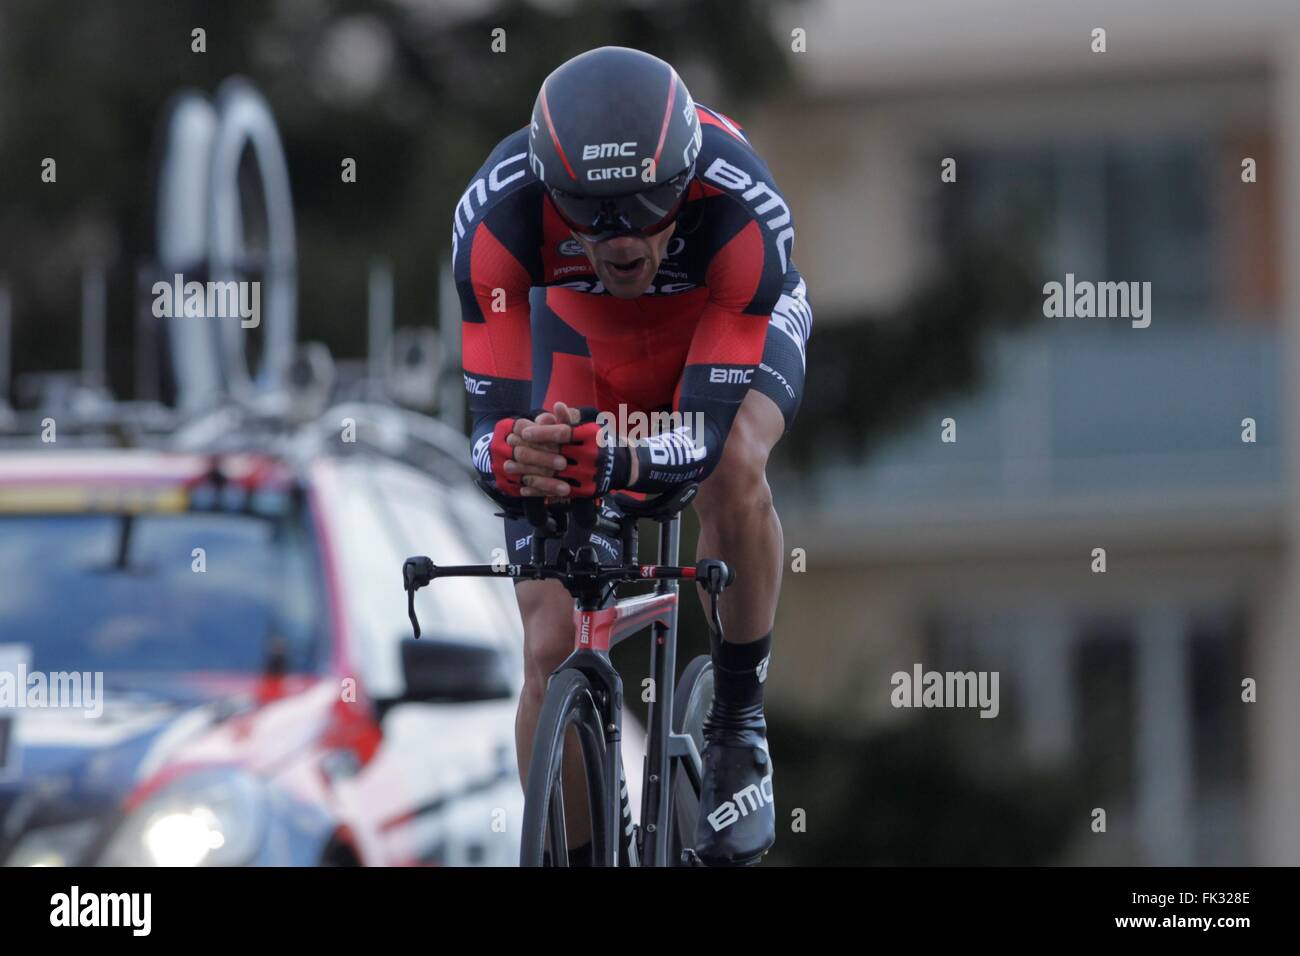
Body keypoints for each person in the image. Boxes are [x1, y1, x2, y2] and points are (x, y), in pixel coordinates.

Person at [452, 45, 812, 866]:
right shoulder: (496, 213)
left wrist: (615, 465)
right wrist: (518, 456)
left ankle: (735, 724)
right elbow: (486, 429)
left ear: (685, 178)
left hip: (715, 329)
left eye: (649, 206)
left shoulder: (742, 205)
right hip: (580, 337)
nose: (621, 238)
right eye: (590, 211)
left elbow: (703, 434)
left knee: (734, 465)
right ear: (550, 191)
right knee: (548, 646)